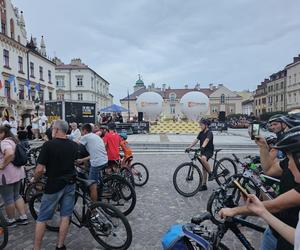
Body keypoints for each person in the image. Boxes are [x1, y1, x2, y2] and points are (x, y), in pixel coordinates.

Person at [219, 125, 300, 250]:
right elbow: (269, 169)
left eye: (289, 159)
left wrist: (235, 211)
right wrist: (263, 146)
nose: (288, 165)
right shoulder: (288, 165)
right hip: (277, 229)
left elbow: (276, 205)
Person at [32, 120, 78, 250]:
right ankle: (60, 245)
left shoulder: (48, 145)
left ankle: (36, 248)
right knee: (65, 216)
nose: (52, 131)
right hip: (70, 183)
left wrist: (35, 180)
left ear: (57, 130)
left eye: (52, 128)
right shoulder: (74, 145)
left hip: (54, 185)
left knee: (42, 218)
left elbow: (40, 169)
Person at [0, 125, 27, 227]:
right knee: (17, 195)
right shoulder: (14, 140)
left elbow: (10, 153)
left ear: (3, 133)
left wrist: (3, 165)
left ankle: (11, 220)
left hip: (7, 175)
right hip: (18, 173)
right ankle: (23, 216)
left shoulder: (4, 142)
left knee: (8, 198)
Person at [77, 123, 107, 201]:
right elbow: (93, 154)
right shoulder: (95, 136)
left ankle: (93, 206)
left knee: (91, 185)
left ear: (85, 131)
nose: (81, 133)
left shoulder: (86, 137)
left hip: (97, 162)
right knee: (94, 174)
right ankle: (100, 187)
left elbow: (75, 145)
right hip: (104, 160)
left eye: (81, 131)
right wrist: (82, 160)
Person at [186, 118, 214, 191]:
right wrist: (189, 147)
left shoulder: (209, 132)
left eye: (201, 125)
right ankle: (204, 185)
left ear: (206, 125)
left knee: (203, 159)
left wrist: (202, 146)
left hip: (208, 150)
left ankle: (211, 173)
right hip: (203, 150)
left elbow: (207, 140)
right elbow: (196, 140)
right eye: (200, 125)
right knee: (203, 168)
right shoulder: (201, 133)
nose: (200, 126)